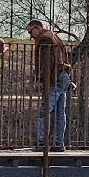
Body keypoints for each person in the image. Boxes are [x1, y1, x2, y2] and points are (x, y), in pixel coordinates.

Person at [26, 19, 71, 151]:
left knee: (44, 111)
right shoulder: (54, 36)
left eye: (30, 31)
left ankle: (42, 143)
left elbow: (46, 61)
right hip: (62, 75)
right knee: (59, 112)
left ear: (37, 28)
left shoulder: (44, 39)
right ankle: (58, 144)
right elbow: (64, 55)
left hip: (53, 77)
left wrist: (40, 78)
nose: (30, 35)